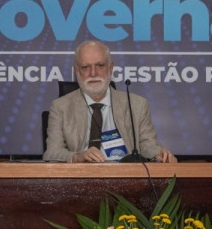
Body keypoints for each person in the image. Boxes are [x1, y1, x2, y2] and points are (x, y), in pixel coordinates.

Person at [43, 40, 176, 163]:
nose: (93, 73)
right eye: (85, 67)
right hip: (80, 176)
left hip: (126, 177)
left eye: (100, 65)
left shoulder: (137, 105)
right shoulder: (60, 107)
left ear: (110, 68)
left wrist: (158, 155)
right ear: (76, 70)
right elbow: (51, 153)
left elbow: (147, 145)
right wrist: (77, 157)